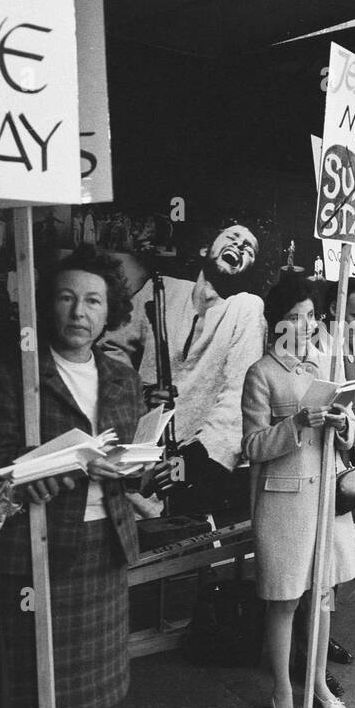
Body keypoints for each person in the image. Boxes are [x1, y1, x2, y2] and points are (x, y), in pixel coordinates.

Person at [0, 245, 150, 708]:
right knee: (37, 702)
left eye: (94, 301)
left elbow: (133, 457)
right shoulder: (18, 372)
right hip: (41, 552)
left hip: (104, 549)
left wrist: (141, 464)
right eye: (66, 298)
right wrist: (73, 465)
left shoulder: (122, 374)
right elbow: (0, 465)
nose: (79, 312)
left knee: (80, 702)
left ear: (111, 311)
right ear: (46, 304)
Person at [242, 275, 355, 708]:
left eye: (310, 316)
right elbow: (252, 445)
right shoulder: (261, 373)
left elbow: (348, 434)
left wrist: (344, 422)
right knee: (286, 599)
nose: (305, 324)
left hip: (326, 495)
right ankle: (282, 694)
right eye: (294, 317)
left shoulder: (322, 365)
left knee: (324, 593)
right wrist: (296, 423)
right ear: (276, 324)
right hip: (283, 501)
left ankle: (317, 684)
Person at [101, 216, 269, 512]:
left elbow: (238, 400)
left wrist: (192, 463)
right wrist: (136, 394)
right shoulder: (161, 290)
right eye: (232, 237)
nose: (240, 246)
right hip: (136, 462)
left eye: (249, 250)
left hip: (193, 473)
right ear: (206, 249)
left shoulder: (246, 308)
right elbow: (109, 350)